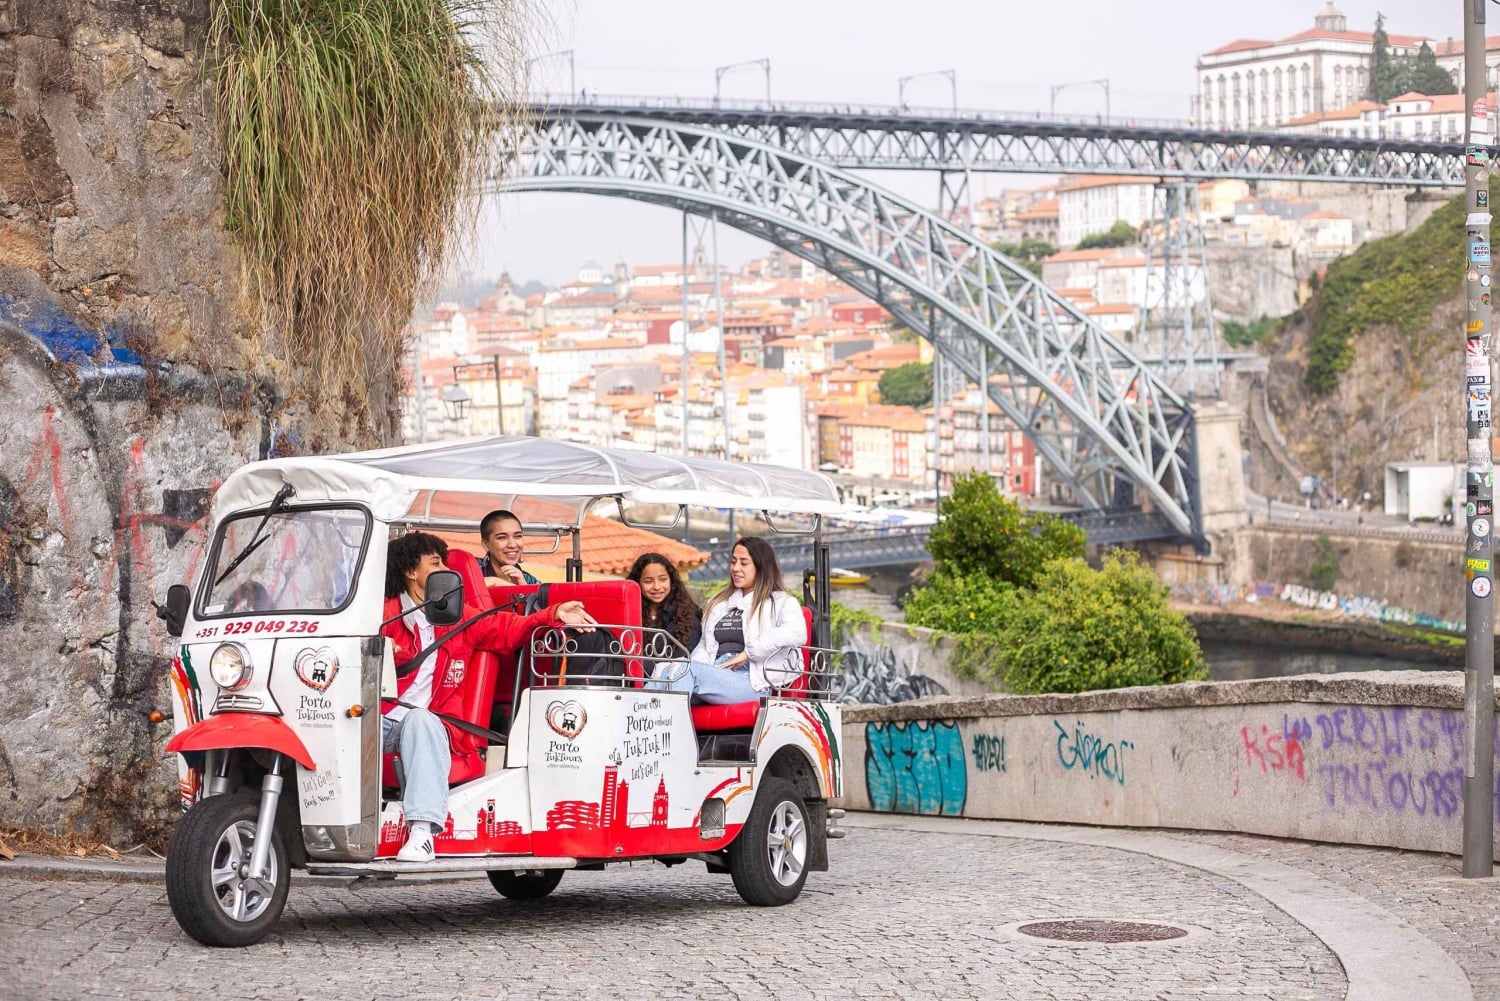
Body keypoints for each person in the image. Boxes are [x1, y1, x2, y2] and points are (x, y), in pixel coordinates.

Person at [381, 532, 595, 861]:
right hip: (373, 719)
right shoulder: (382, 615)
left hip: (426, 727)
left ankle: (423, 831)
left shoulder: (456, 615)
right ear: (411, 572)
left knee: (420, 720)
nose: (445, 571)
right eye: (436, 564)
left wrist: (551, 614)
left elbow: (505, 628)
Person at [659, 537, 805, 705]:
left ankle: (672, 729)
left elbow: (797, 632)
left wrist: (749, 652)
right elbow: (705, 647)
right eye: (733, 562)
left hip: (751, 681)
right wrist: (683, 669)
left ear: (761, 566)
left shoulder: (781, 602)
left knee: (685, 671)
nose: (735, 568)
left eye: (744, 563)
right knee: (666, 673)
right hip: (716, 672)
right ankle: (645, 726)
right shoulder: (720, 604)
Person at [626, 552, 702, 659]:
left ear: (671, 581)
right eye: (648, 581)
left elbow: (683, 657)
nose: (656, 586)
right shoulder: (627, 613)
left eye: (662, 579)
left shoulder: (687, 616)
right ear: (637, 583)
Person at [477, 509, 539, 586]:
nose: (512, 545)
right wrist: (494, 581)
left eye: (518, 536)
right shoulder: (472, 570)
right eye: (502, 537)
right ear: (486, 544)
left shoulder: (530, 581)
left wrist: (524, 589)